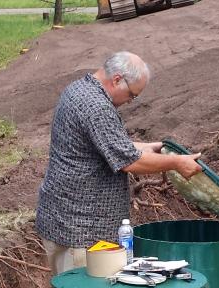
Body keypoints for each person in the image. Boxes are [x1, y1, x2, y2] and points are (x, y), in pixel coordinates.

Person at [35, 51, 202, 275]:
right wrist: (176, 163)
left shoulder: (78, 89)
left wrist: (146, 147)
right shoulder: (98, 107)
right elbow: (129, 162)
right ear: (116, 79)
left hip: (61, 218)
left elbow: (105, 144)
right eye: (132, 95)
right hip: (82, 231)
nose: (129, 101)